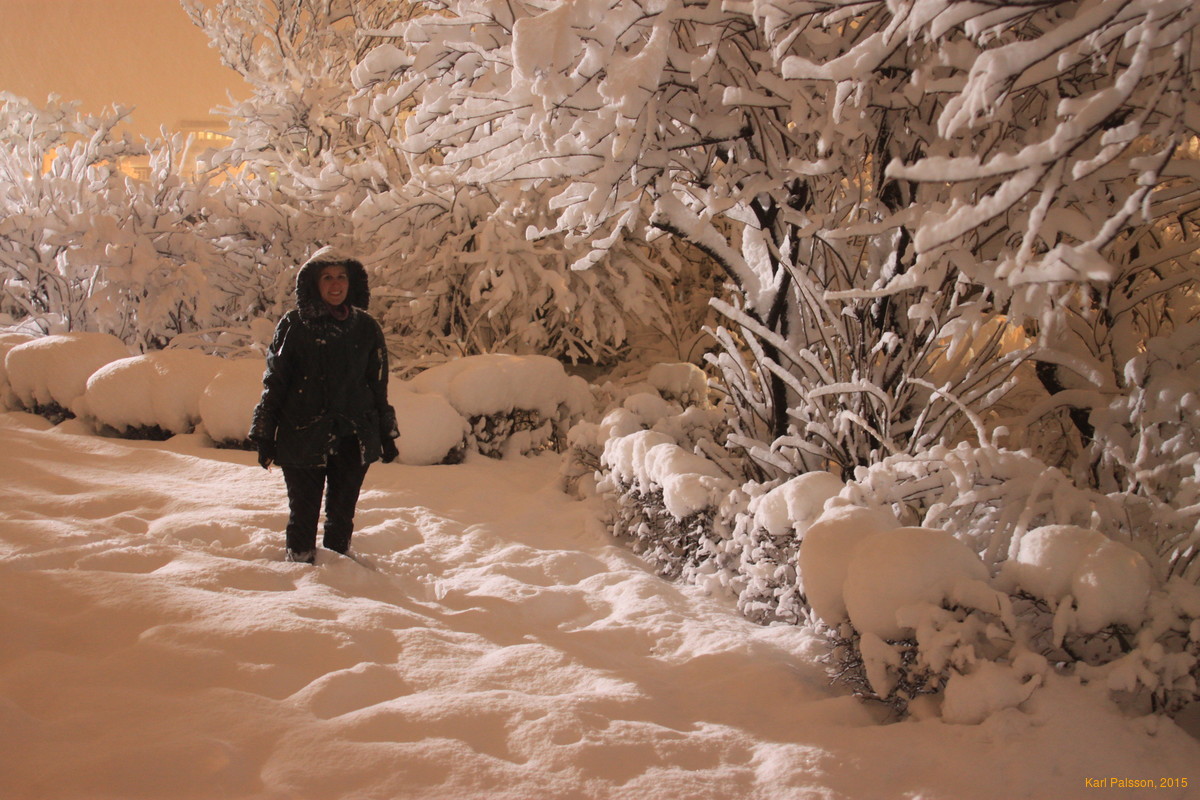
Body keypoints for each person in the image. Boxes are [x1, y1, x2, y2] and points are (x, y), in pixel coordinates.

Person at [249, 248, 399, 564]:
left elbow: (377, 384)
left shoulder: (366, 327)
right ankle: (301, 572)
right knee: (303, 514)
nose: (335, 284)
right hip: (301, 434)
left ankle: (339, 569)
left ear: (352, 281)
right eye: (327, 277)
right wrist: (264, 433)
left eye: (341, 276)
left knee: (342, 514)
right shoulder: (294, 325)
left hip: (352, 434)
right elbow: (274, 382)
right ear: (313, 284)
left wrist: (385, 432)